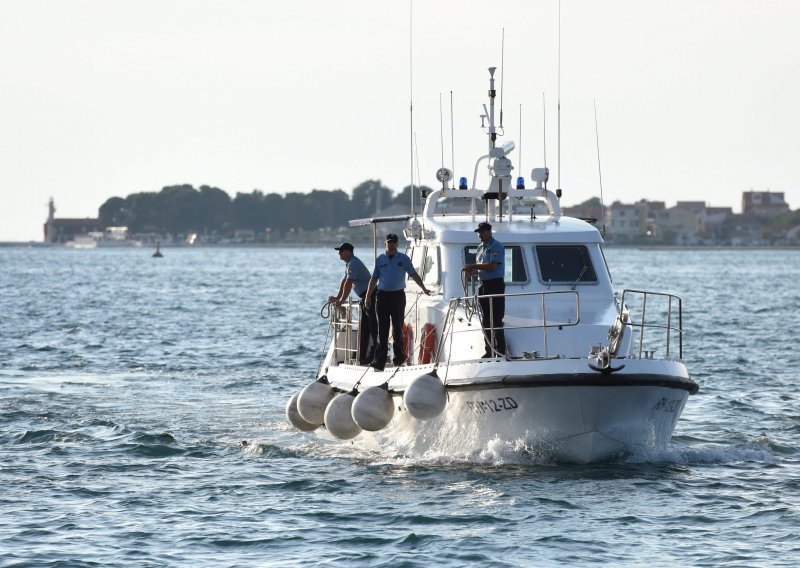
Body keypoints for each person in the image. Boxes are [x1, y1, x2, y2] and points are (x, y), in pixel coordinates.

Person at [364, 233, 431, 371]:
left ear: (397, 244)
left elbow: (414, 274)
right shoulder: (380, 259)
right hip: (382, 296)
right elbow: (374, 278)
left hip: (398, 296)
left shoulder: (404, 258)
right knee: (382, 330)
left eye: (394, 242)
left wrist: (424, 288)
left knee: (397, 328)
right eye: (389, 242)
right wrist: (368, 296)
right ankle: (379, 361)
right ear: (385, 244)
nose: (392, 244)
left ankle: (399, 359)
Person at [328, 242, 377, 365]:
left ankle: (374, 353)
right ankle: (362, 355)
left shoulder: (353, 263)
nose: (339, 253)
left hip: (370, 295)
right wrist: (338, 298)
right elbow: (344, 281)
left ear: (348, 252)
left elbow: (349, 283)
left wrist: (342, 301)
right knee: (364, 327)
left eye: (341, 251)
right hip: (364, 296)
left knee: (371, 326)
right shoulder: (349, 264)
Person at [462, 222, 506, 357]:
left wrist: (473, 265)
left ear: (489, 232)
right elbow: (482, 268)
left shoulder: (496, 246)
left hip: (495, 284)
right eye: (478, 232)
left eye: (481, 232)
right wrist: (473, 271)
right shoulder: (480, 248)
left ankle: (500, 351)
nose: (479, 235)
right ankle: (489, 350)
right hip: (484, 285)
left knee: (496, 319)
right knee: (486, 319)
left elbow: (492, 266)